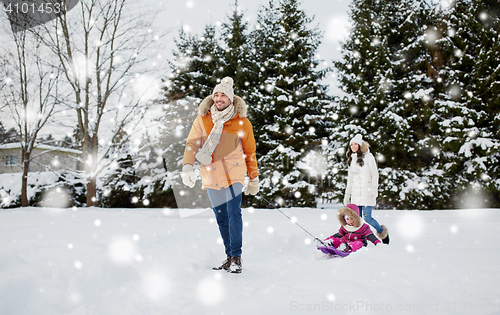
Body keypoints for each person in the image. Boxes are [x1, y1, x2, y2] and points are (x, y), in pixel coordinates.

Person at [181, 77, 259, 273]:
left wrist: (254, 177)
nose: (218, 97)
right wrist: (187, 166)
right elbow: (192, 144)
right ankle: (228, 256)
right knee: (221, 218)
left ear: (231, 98)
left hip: (234, 174)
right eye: (216, 94)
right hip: (211, 175)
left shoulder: (242, 122)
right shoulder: (203, 119)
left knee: (234, 213)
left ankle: (236, 257)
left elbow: (250, 152)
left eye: (223, 94)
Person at [344, 134, 389, 244]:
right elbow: (350, 179)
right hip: (355, 193)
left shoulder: (369, 157)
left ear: (360, 145)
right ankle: (361, 239)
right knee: (356, 219)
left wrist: (374, 189)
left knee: (367, 218)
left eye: (355, 144)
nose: (353, 146)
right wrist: (347, 195)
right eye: (351, 145)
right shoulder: (351, 159)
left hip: (367, 192)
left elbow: (375, 174)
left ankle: (382, 232)